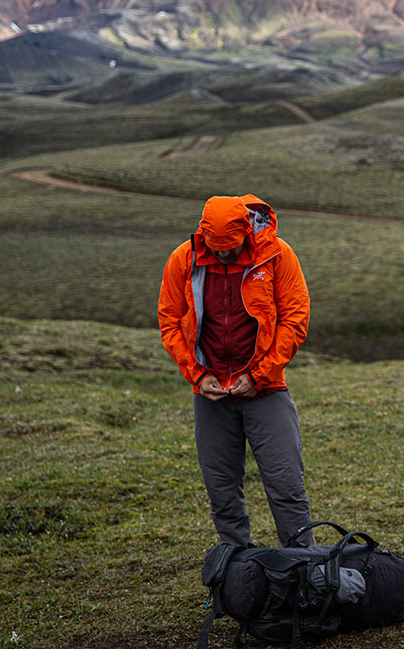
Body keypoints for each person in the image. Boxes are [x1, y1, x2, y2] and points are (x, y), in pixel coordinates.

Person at [157, 194, 314, 548]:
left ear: (246, 230)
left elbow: (296, 318)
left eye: (231, 248)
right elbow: (168, 321)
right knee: (221, 491)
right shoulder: (184, 259)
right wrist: (197, 375)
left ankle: (307, 573)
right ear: (204, 234)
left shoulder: (277, 255)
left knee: (287, 486)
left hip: (266, 389)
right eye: (217, 248)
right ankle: (238, 574)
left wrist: (259, 376)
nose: (224, 255)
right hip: (210, 392)